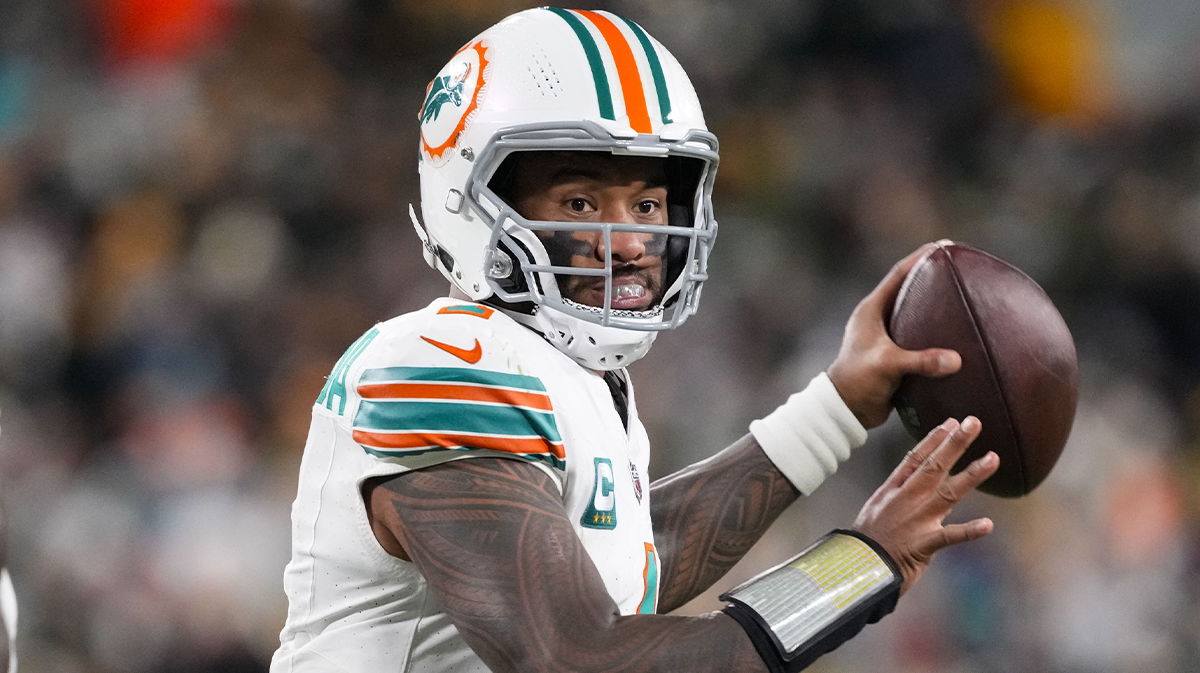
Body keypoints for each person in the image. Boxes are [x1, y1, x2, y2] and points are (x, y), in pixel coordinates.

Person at [271, 8, 998, 672]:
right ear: (470, 199)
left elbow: (634, 559)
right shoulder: (437, 361)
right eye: (581, 200)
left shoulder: (574, 378)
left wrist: (836, 408)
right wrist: (857, 567)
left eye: (648, 203)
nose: (630, 243)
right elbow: (580, 657)